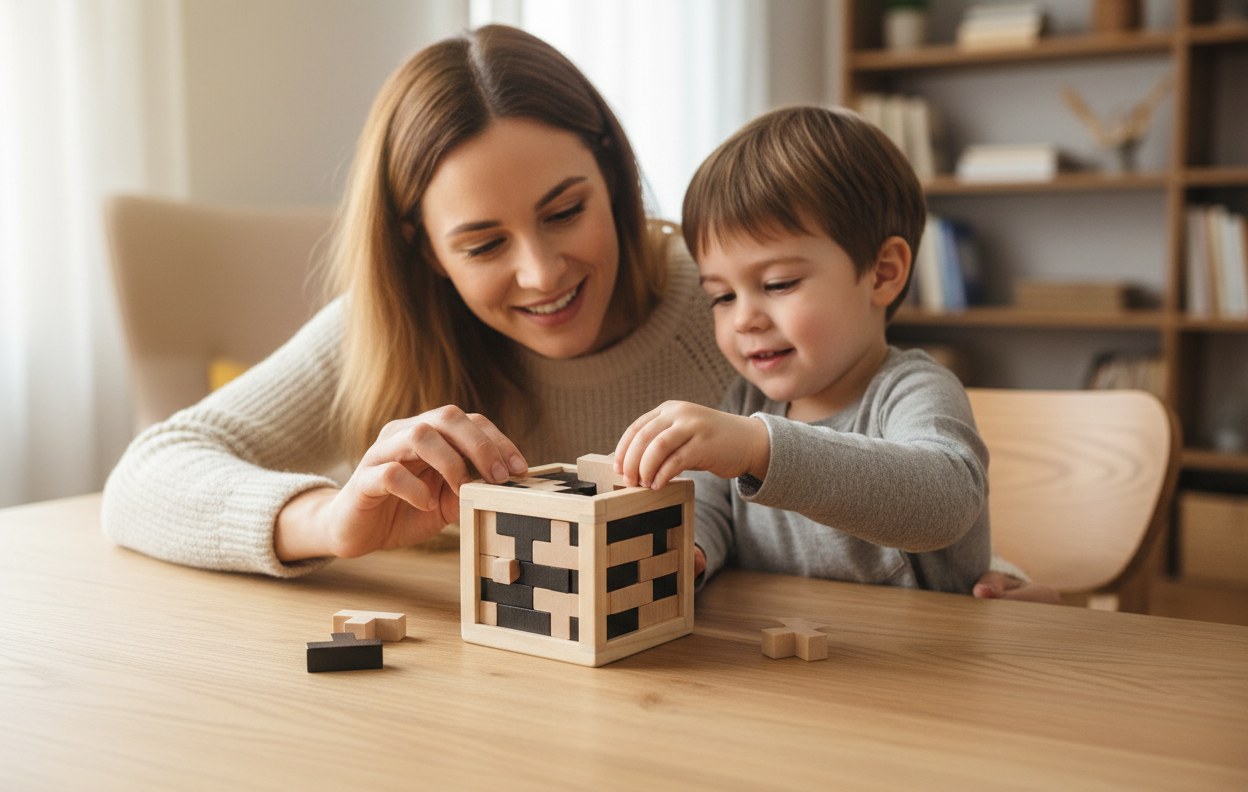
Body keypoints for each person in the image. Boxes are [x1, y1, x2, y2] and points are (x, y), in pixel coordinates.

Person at [100, 25, 1051, 601]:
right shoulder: (396, 321)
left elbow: (912, 488)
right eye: (480, 244)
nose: (541, 271)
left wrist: (982, 590)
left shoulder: (728, 310)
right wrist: (328, 522)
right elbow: (145, 477)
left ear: (615, 173)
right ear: (424, 250)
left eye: (566, 211)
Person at [614, 105, 1053, 599]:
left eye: (778, 283)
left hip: (928, 667)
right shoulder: (746, 402)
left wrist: (761, 449)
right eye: (722, 296)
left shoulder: (912, 389)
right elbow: (713, 511)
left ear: (883, 273)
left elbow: (947, 498)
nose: (744, 319)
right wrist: (690, 552)